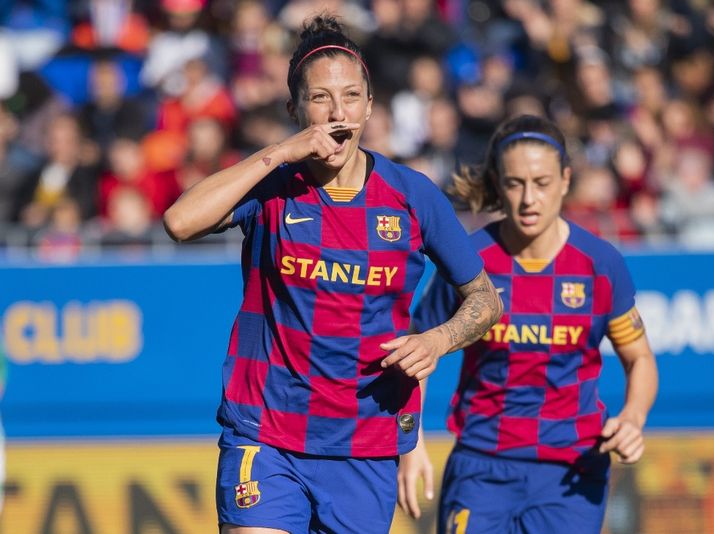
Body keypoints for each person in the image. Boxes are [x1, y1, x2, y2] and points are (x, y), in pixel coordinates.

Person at [162, 15, 502, 534]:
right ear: (295, 109)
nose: (337, 112)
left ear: (369, 106)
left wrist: (438, 340)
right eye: (319, 98)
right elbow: (179, 222)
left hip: (363, 439)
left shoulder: (411, 196)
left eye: (350, 97)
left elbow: (485, 299)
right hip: (264, 429)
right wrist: (280, 153)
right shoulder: (271, 186)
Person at [399, 115, 659, 533]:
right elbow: (416, 349)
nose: (528, 199)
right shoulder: (468, 260)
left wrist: (633, 418)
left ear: (565, 180)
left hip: (571, 472)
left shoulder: (600, 264)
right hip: (480, 466)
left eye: (541, 182)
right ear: (498, 184)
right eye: (515, 183)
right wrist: (409, 444)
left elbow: (639, 358)